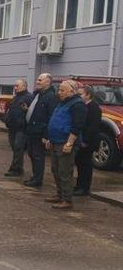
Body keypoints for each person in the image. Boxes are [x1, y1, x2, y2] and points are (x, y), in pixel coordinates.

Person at [44, 80, 87, 210]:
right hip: (55, 141)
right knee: (55, 170)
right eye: (59, 90)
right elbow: (56, 120)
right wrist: (50, 139)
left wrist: (69, 143)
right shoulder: (62, 103)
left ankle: (67, 200)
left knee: (64, 172)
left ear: (72, 91)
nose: (59, 92)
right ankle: (60, 194)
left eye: (62, 90)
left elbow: (77, 126)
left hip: (65, 143)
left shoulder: (77, 104)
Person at [24, 73, 59, 187]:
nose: (37, 82)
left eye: (40, 80)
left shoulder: (51, 97)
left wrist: (46, 135)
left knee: (38, 156)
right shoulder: (38, 94)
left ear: (48, 82)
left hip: (40, 132)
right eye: (37, 80)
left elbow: (51, 117)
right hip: (32, 130)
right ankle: (35, 176)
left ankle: (37, 179)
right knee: (31, 154)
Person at [74, 85, 102, 196]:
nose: (78, 96)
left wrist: (85, 140)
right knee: (80, 163)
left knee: (85, 164)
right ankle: (79, 185)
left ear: (88, 95)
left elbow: (93, 127)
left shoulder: (94, 108)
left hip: (88, 142)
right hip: (81, 140)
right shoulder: (83, 106)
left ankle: (84, 188)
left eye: (80, 94)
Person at [4, 79, 34, 177]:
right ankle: (18, 168)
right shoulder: (16, 97)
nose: (15, 88)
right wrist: (7, 120)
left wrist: (27, 109)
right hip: (12, 127)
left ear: (24, 86)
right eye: (15, 86)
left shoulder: (29, 97)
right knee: (15, 148)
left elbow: (32, 112)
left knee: (18, 148)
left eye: (17, 86)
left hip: (22, 128)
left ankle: (15, 169)